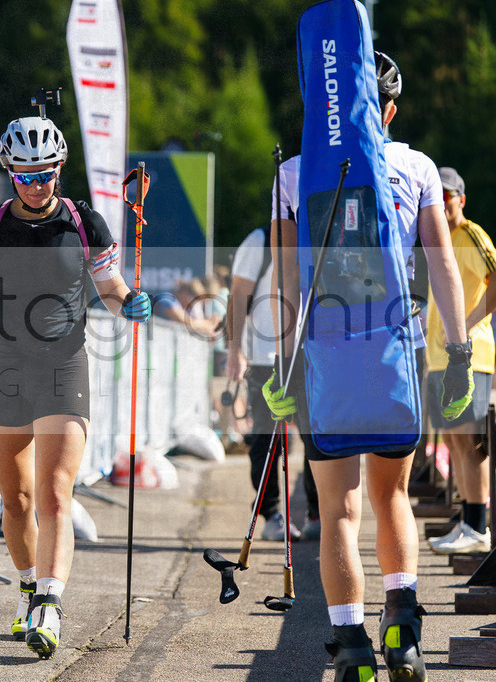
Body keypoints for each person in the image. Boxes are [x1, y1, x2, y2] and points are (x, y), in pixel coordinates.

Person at [264, 52, 470, 681]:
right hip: (396, 352)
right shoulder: (418, 168)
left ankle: (351, 645)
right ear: (389, 109)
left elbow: (285, 281)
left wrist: (280, 365)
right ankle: (402, 620)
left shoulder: (293, 174)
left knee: (337, 511)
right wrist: (458, 356)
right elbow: (442, 265)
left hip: (325, 357)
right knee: (393, 496)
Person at [0, 115, 151, 659]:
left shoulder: (84, 221)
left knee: (54, 492)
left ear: (59, 169)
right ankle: (29, 588)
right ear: (10, 173)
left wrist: (129, 303)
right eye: (25, 176)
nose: (35, 184)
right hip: (3, 368)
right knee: (17, 500)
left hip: (62, 368)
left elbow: (111, 288)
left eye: (45, 174)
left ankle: (50, 605)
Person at [225, 226, 319, 543]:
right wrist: (235, 351)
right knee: (267, 441)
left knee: (316, 437)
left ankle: (317, 512)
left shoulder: (317, 231)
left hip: (313, 355)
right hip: (267, 358)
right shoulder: (260, 240)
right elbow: (238, 296)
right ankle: (270, 513)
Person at [426, 167, 496, 555]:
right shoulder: (440, 239)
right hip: (442, 358)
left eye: (447, 196)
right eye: (435, 196)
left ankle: (478, 527)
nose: (441, 203)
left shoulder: (469, 234)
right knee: (454, 443)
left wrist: (466, 326)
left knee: (470, 443)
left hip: (469, 354)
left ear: (461, 200)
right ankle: (469, 521)